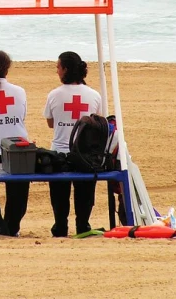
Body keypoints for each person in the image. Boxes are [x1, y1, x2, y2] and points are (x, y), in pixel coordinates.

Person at [43, 51, 102, 237]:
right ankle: (83, 226)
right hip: (85, 155)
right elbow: (98, 123)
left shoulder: (54, 95)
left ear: (66, 69)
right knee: (85, 192)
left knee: (59, 194)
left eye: (58, 68)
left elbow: (51, 123)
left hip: (60, 153)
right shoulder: (94, 95)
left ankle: (60, 227)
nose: (57, 72)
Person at [0, 49, 30, 237]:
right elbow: (21, 117)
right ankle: (11, 228)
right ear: (7, 69)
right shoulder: (19, 92)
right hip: (17, 150)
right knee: (19, 189)